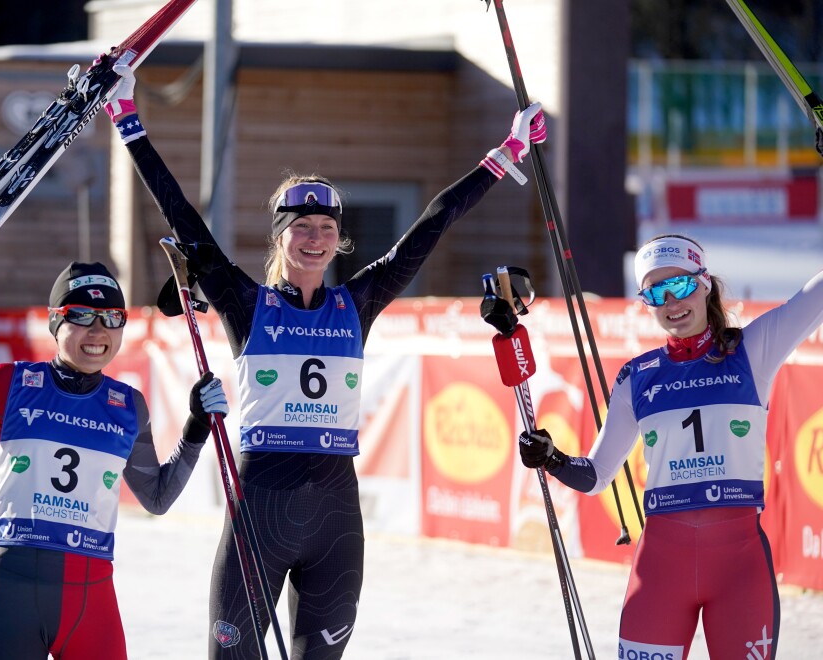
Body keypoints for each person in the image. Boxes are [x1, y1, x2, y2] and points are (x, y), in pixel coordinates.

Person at [103, 62, 546, 659]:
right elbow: (180, 213)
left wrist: (507, 151)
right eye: (302, 226)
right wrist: (127, 118)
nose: (315, 237)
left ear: (340, 239)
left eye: (327, 227)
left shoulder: (358, 301)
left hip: (336, 516)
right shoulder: (243, 301)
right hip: (260, 511)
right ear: (280, 237)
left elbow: (434, 221)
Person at [517, 234, 823, 659]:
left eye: (678, 286)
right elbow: (596, 475)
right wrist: (551, 458)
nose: (670, 303)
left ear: (704, 284)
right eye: (654, 292)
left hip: (739, 566)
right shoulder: (637, 377)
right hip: (663, 566)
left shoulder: (753, 350)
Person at [0, 261, 229, 660]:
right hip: (14, 590)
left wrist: (195, 428)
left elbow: (157, 498)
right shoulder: (10, 383)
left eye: (112, 317)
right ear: (56, 321)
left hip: (91, 602)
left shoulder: (127, 405)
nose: (98, 330)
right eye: (82, 315)